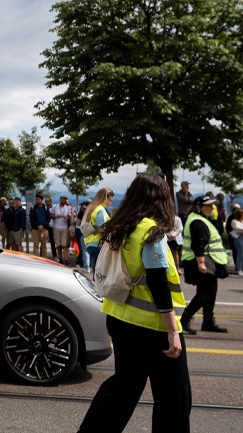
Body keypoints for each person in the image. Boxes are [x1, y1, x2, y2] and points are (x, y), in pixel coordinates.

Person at [76, 172, 190, 433]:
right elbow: (159, 282)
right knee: (174, 398)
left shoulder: (122, 226)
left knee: (123, 389)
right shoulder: (151, 231)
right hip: (153, 326)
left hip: (119, 319)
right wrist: (173, 330)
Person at [180, 195, 229, 334]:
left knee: (209, 293)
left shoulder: (202, 219)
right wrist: (201, 263)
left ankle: (208, 322)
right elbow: (198, 243)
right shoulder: (197, 221)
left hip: (208, 260)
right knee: (207, 293)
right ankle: (184, 319)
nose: (211, 208)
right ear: (198, 207)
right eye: (208, 205)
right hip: (202, 261)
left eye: (212, 205)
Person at [83, 188, 114, 272]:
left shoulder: (92, 208)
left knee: (95, 271)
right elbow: (102, 229)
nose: (110, 203)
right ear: (105, 198)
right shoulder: (100, 210)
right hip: (98, 243)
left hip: (90, 242)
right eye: (110, 200)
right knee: (99, 273)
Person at [50, 194, 75, 265]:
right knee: (58, 245)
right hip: (56, 227)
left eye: (66, 199)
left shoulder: (67, 208)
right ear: (60, 199)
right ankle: (60, 259)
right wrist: (55, 216)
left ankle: (66, 259)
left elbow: (70, 216)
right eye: (63, 199)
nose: (65, 201)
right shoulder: (54, 207)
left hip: (64, 227)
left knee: (64, 245)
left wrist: (69, 219)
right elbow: (50, 215)